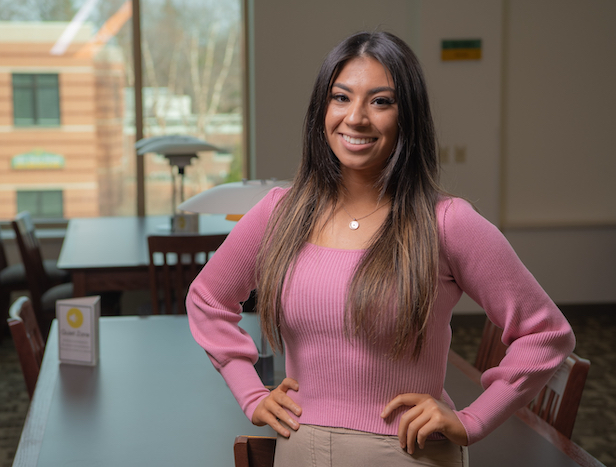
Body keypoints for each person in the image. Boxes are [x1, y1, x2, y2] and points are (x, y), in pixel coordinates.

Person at [186, 31, 575, 466]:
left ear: (407, 117)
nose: (356, 118)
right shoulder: (282, 213)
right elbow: (207, 298)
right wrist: (250, 392)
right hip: (300, 451)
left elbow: (546, 335)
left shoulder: (447, 223)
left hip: (411, 455)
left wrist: (473, 420)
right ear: (322, 110)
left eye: (380, 101)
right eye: (341, 97)